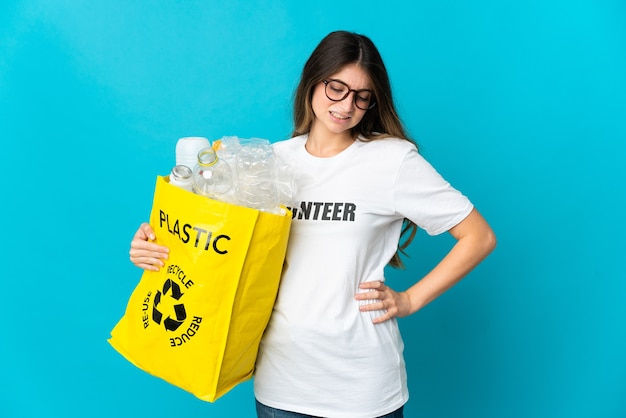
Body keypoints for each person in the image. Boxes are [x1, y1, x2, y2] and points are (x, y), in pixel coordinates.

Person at [129, 30, 496, 418]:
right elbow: (214, 247)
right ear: (312, 81)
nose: (346, 105)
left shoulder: (392, 162)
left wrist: (409, 300)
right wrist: (154, 244)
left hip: (362, 387)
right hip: (281, 385)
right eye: (335, 88)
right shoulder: (268, 163)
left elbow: (479, 237)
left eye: (361, 96)